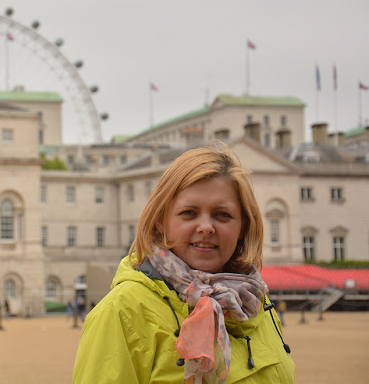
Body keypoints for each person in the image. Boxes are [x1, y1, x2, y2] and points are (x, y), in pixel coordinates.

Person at [73, 142, 296, 383]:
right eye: (189, 213)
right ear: (161, 221)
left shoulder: (255, 302)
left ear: (242, 226)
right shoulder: (121, 312)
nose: (206, 227)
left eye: (223, 215)